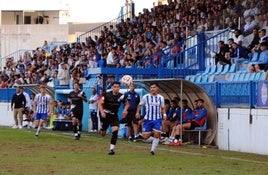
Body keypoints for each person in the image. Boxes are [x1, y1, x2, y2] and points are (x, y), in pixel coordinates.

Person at [98, 81, 129, 155]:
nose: (116, 88)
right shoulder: (107, 95)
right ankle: (102, 129)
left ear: (119, 88)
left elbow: (127, 104)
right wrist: (102, 112)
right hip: (105, 115)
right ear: (112, 87)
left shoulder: (121, 96)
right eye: (115, 87)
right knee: (103, 133)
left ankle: (111, 149)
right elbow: (100, 103)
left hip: (114, 116)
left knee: (115, 131)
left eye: (118, 87)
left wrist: (125, 110)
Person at [135, 82, 166, 155]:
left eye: (154, 87)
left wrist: (164, 114)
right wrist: (137, 112)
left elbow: (163, 107)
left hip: (157, 119)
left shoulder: (161, 98)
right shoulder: (146, 97)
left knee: (156, 134)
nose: (152, 89)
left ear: (157, 88)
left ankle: (152, 150)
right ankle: (157, 139)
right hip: (147, 119)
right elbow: (140, 105)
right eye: (151, 88)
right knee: (145, 137)